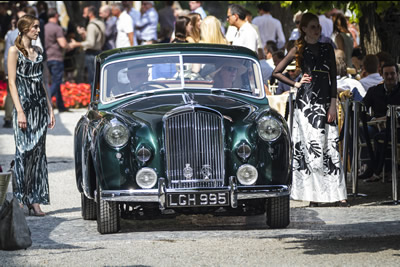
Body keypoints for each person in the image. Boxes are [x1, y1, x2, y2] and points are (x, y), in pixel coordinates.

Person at [272, 12, 348, 207]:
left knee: (330, 145)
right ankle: (314, 195)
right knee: (309, 149)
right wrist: (295, 84)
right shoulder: (298, 48)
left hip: (324, 100)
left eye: (318, 27)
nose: (317, 30)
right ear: (304, 29)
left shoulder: (326, 47)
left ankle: (338, 194)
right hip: (305, 103)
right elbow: (277, 72)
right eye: (313, 26)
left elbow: (333, 78)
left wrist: (333, 103)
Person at [7, 14, 56, 216]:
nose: (37, 30)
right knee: (22, 153)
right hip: (24, 108)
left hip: (39, 109)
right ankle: (20, 198)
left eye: (38, 27)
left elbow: (42, 83)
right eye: (35, 27)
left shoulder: (38, 51)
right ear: (25, 29)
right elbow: (11, 83)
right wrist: (19, 110)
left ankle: (35, 200)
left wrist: (50, 109)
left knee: (37, 155)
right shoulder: (13, 51)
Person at [360, 61, 400, 181]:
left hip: (397, 126)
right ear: (381, 74)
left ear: (397, 74)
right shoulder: (374, 91)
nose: (389, 77)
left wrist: (391, 119)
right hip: (376, 125)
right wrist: (373, 120)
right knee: (364, 129)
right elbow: (361, 109)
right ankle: (371, 165)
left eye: (392, 73)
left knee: (380, 137)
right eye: (386, 74)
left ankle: (379, 169)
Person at [45, 8, 73, 112]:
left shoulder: (44, 27)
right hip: (56, 57)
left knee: (54, 81)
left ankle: (60, 105)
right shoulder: (57, 28)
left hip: (47, 57)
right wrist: (70, 45)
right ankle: (45, 101)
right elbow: (63, 44)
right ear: (56, 15)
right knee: (57, 81)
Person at [71, 6, 105, 84]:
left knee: (93, 79)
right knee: (99, 77)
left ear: (90, 14)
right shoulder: (100, 23)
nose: (83, 15)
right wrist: (84, 33)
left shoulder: (91, 26)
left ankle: (95, 96)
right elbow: (96, 38)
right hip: (99, 51)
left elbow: (91, 43)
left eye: (85, 13)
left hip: (91, 54)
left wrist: (76, 44)